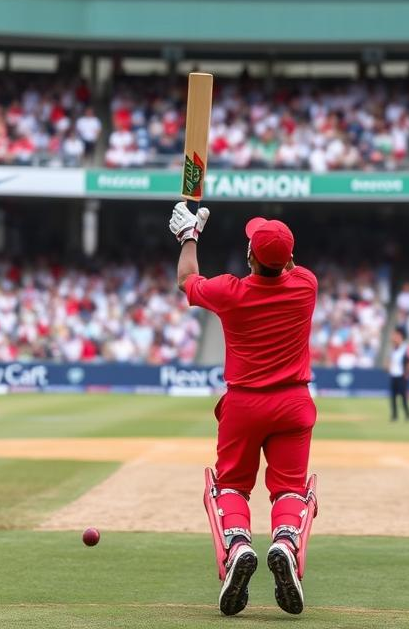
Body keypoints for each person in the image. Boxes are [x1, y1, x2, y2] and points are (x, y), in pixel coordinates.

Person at [169, 202, 318, 617]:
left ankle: (238, 545)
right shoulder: (307, 285)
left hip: (243, 405)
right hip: (293, 403)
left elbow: (187, 279)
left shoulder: (230, 292)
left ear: (250, 256)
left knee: (231, 485)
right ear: (289, 258)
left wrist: (189, 238)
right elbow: (284, 261)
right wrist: (278, 254)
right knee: (290, 489)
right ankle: (285, 542)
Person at [388, 326, 409, 422]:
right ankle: (394, 416)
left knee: (403, 397)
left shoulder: (405, 348)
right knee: (393, 397)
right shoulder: (393, 349)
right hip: (394, 375)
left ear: (400, 336)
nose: (394, 337)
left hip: (402, 376)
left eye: (396, 335)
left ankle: (407, 415)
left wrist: (407, 374)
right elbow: (391, 361)